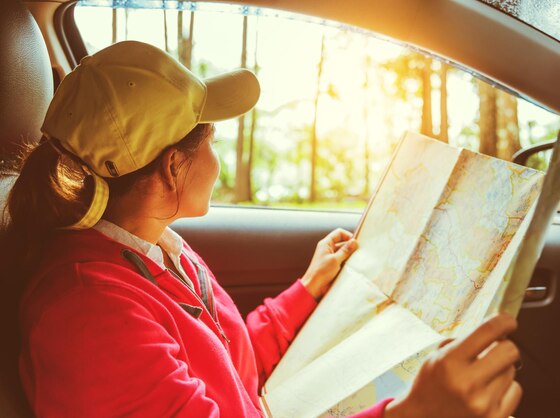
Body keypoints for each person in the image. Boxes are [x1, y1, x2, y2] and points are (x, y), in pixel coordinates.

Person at [3, 40, 521, 417]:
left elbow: (225, 367)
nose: (217, 158)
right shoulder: (89, 316)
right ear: (171, 167)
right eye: (209, 142)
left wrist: (306, 290)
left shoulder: (153, 250)